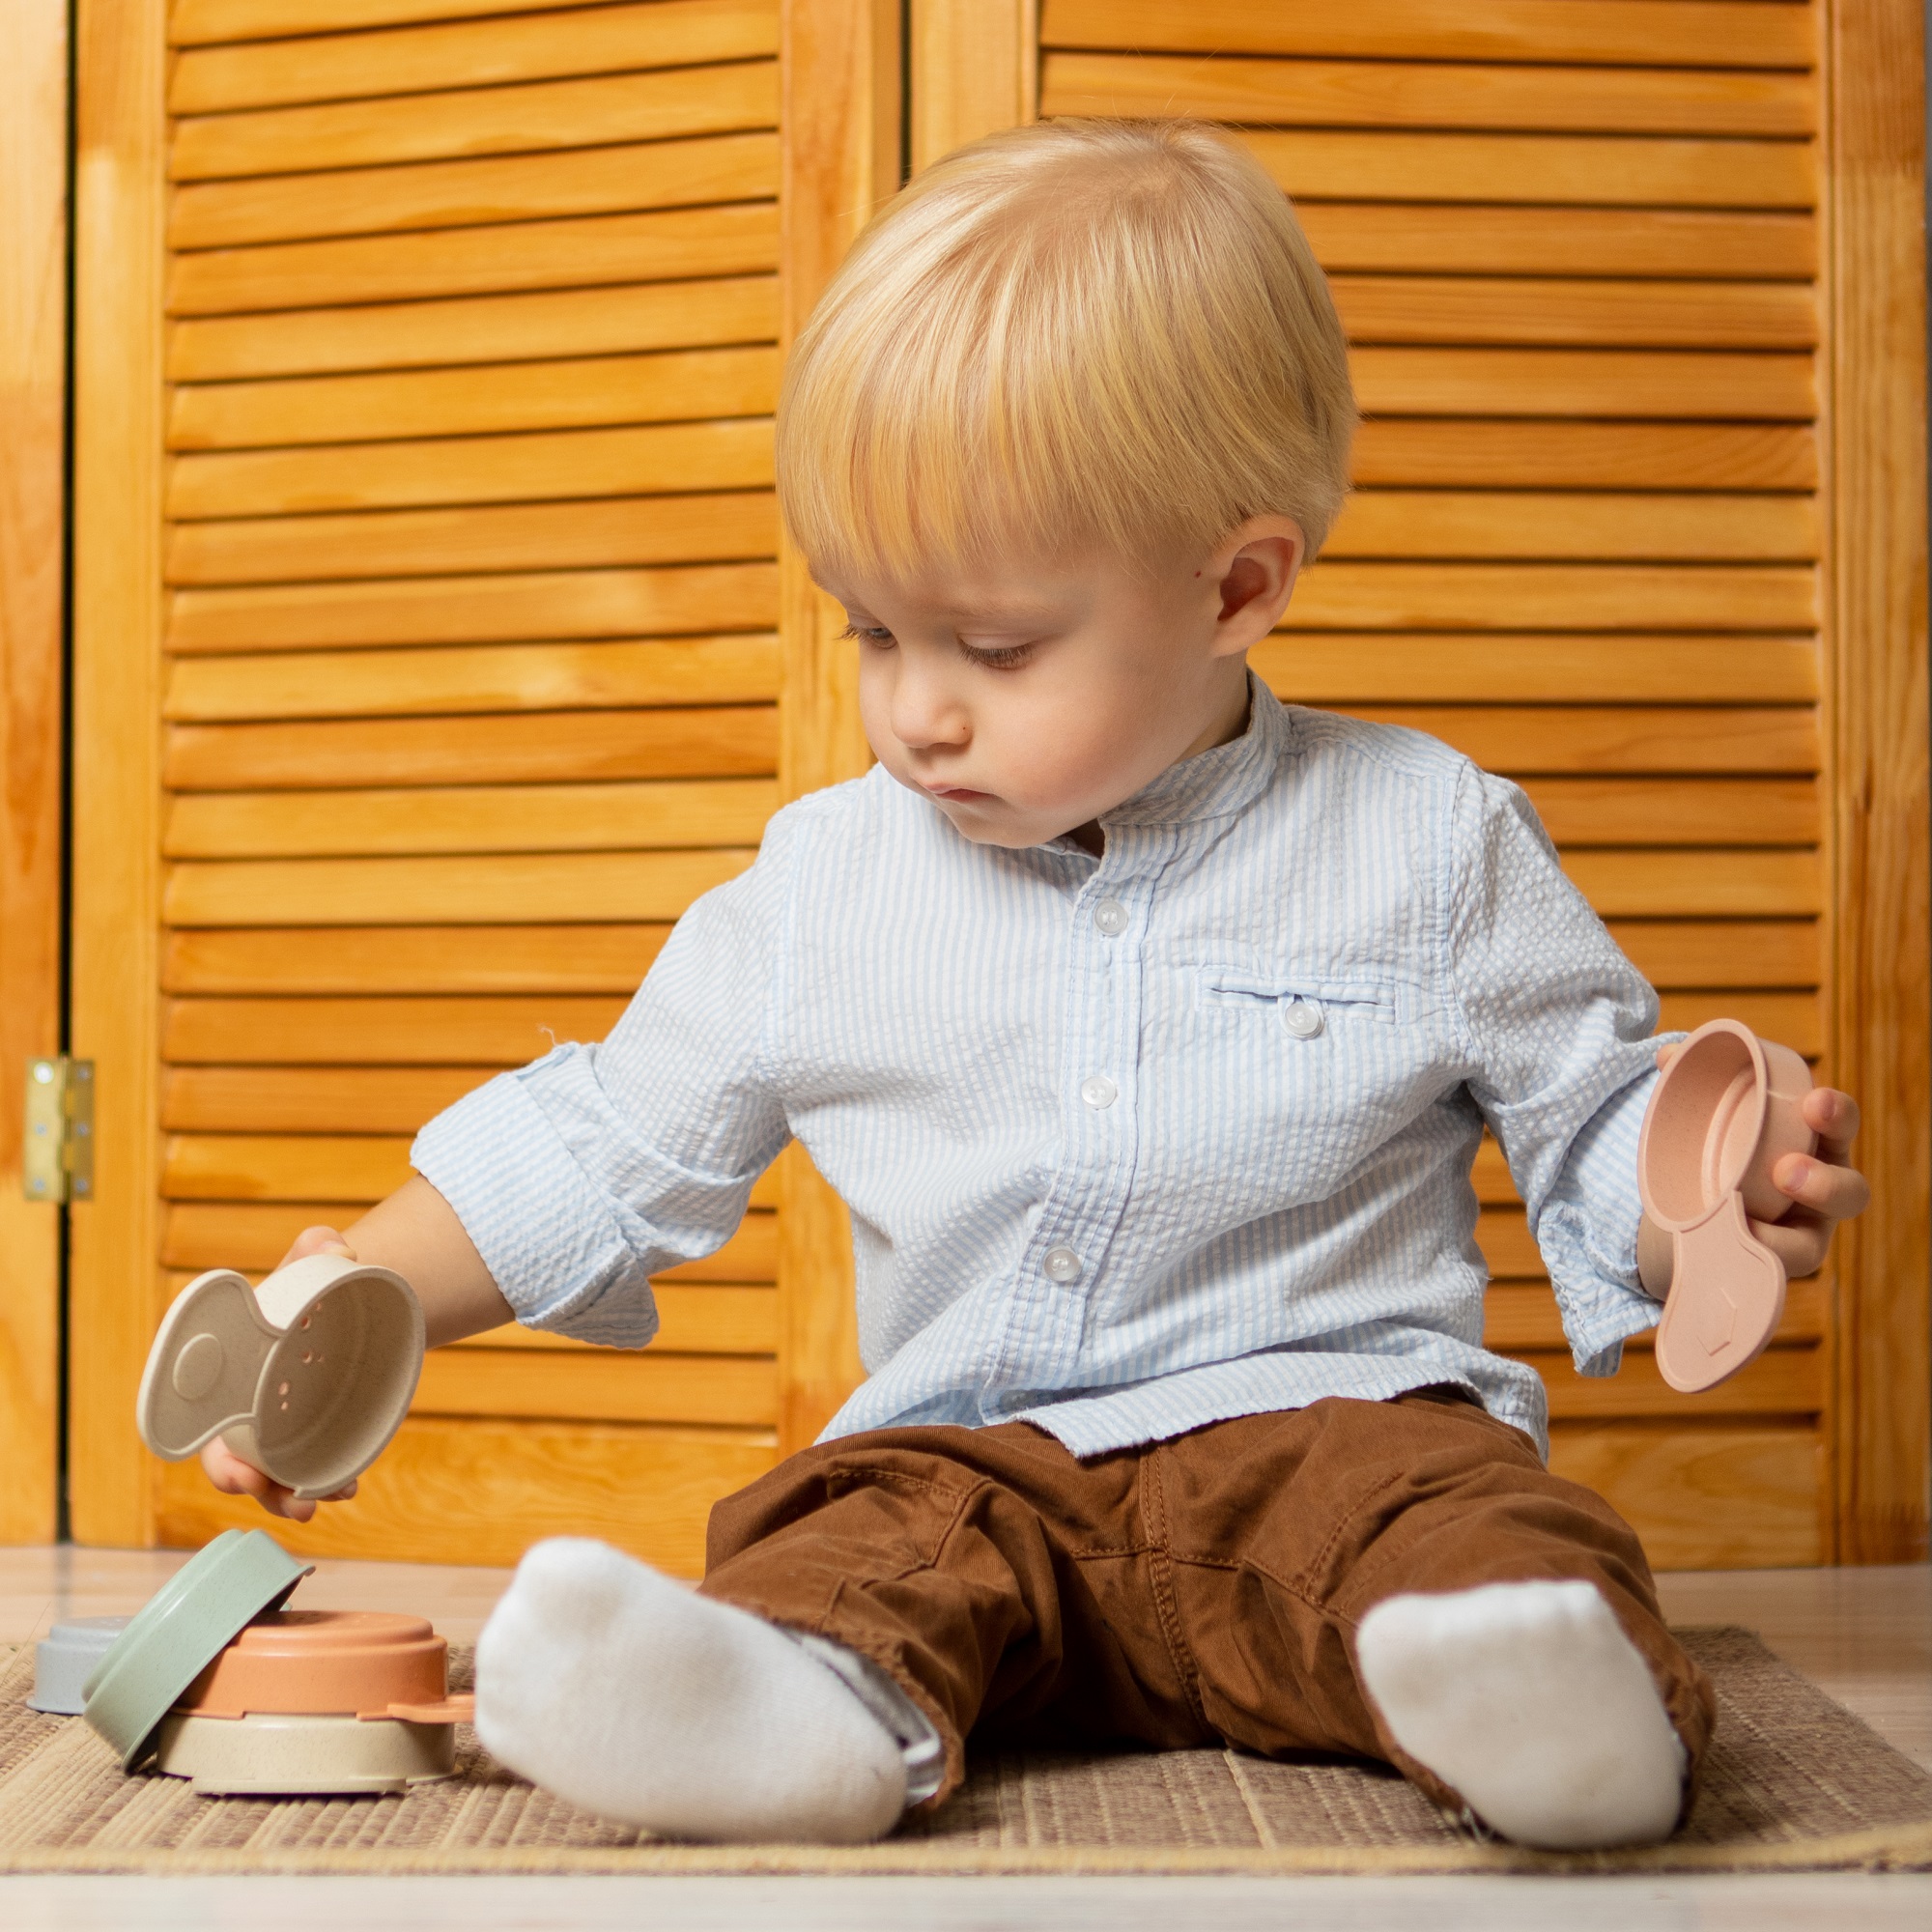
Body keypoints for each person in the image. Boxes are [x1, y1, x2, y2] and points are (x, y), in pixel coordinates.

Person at [201, 120, 1869, 1849]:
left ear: (1236, 586)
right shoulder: (826, 887)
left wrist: (1716, 1192)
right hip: (972, 1464)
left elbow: (1602, 1122)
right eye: (871, 629)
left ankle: (1542, 1714)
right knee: (843, 1536)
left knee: (1474, 1538)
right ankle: (795, 1709)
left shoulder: (1427, 838)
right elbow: (607, 1145)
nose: (917, 709)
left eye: (994, 647)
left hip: (1331, 1430)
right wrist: (343, 1295)